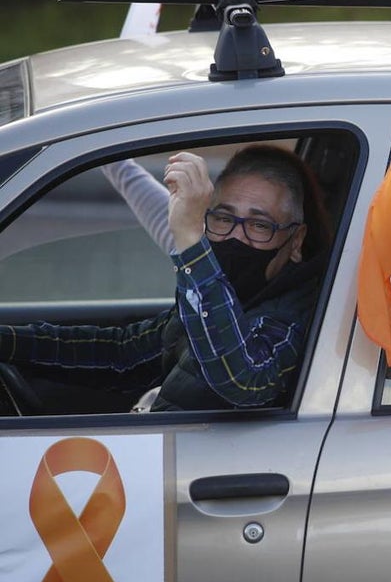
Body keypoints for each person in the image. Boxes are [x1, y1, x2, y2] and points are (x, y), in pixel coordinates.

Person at [0, 145, 332, 412]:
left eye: (259, 226)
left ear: (296, 242)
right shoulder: (228, 295)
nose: (235, 237)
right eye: (222, 218)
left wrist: (190, 238)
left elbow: (242, 379)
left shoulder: (292, 319)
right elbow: (125, 356)